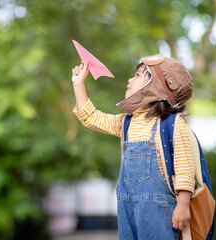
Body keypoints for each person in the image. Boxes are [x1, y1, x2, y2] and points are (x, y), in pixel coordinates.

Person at [71, 55, 195, 240]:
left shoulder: (172, 124)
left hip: (159, 210)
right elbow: (91, 118)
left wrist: (183, 205)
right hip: (127, 205)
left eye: (137, 75)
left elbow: (185, 167)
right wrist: (78, 84)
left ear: (157, 86)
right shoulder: (127, 122)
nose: (130, 80)